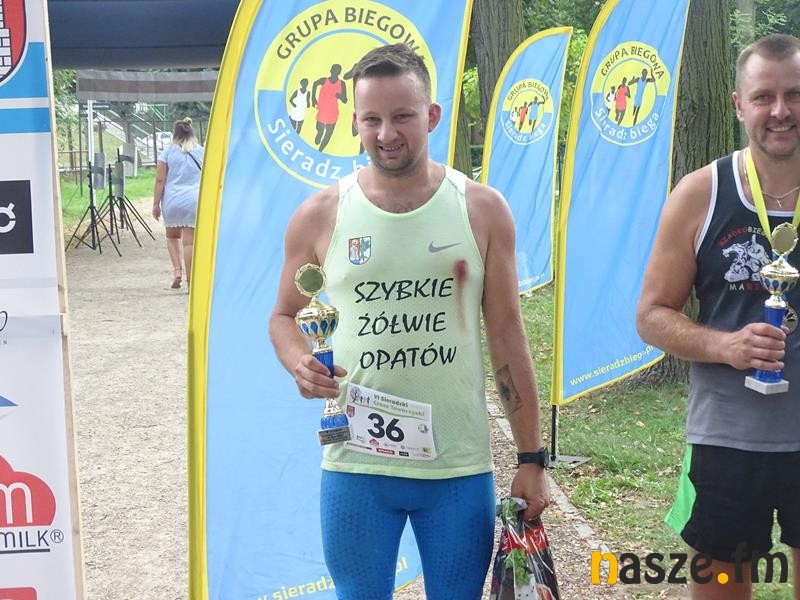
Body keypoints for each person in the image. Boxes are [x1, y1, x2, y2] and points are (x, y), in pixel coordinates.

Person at [269, 43, 549, 600]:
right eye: (371, 119)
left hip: (455, 468)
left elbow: (507, 335)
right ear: (355, 122)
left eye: (402, 116)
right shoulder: (320, 215)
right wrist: (300, 360)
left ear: (432, 116)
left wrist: (531, 457)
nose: (386, 133)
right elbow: (284, 315)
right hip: (356, 467)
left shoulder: (481, 209)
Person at [636, 34, 800, 600]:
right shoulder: (700, 193)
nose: (780, 111)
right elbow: (651, 315)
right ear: (738, 105)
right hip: (727, 439)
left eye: (794, 95)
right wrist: (726, 346)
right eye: (764, 97)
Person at [152, 117, 204, 290]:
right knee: (189, 243)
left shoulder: (167, 153)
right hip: (194, 199)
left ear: (174, 134)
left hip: (172, 200)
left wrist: (156, 204)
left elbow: (160, 179)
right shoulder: (201, 151)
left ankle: (177, 271)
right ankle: (191, 283)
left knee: (172, 237)